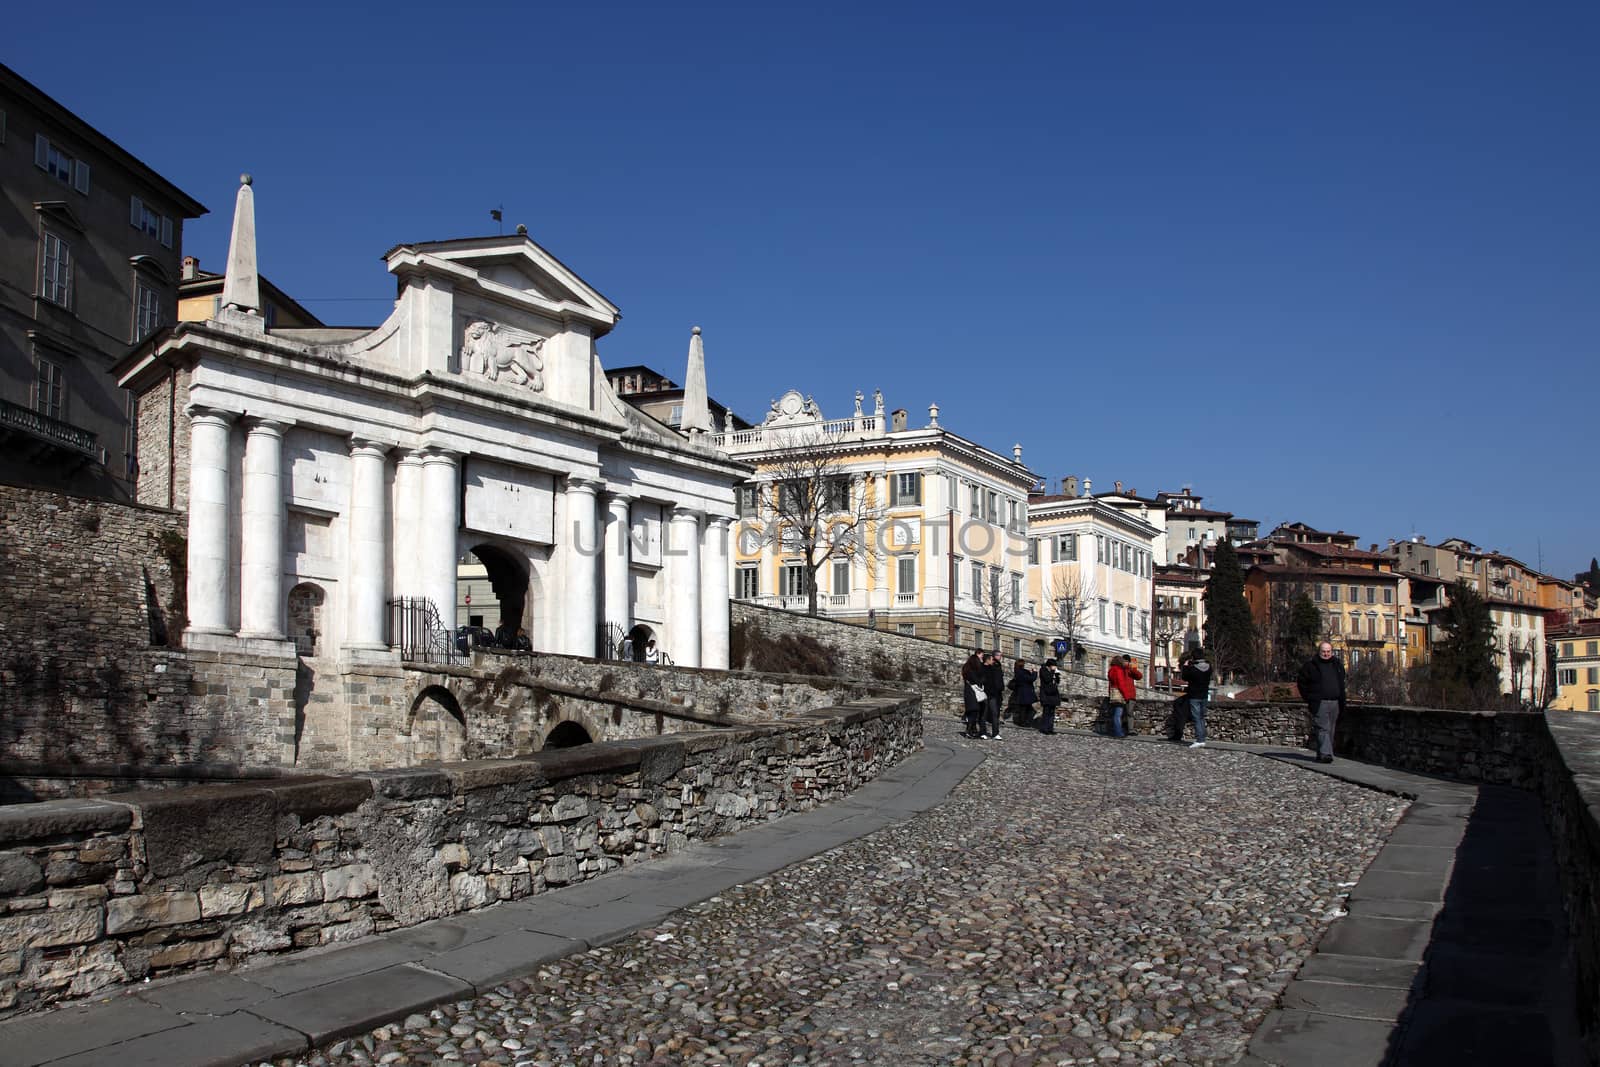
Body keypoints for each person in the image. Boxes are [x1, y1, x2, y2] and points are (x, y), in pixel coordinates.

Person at [1297, 641, 1346, 763]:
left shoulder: (1337, 664)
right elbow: (1301, 683)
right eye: (1323, 651)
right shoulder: (1310, 666)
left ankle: (1322, 753)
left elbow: (1342, 681)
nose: (1326, 654)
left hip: (1335, 702)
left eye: (1328, 651)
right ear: (1319, 652)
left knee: (1331, 729)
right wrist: (1309, 697)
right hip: (1319, 702)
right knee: (1323, 727)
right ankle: (1326, 754)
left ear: (1332, 652)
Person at [1180, 649, 1214, 748]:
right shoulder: (1209, 667)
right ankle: (1202, 738)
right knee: (1202, 717)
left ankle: (1200, 740)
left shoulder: (1193, 668)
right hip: (1204, 695)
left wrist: (1185, 666)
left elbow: (1185, 677)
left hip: (1194, 695)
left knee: (1196, 718)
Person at [1106, 655, 1142, 738]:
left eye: (1125, 661)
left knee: (1128, 713)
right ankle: (1119, 731)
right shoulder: (1119, 670)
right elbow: (1120, 683)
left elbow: (1139, 676)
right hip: (1122, 694)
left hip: (1128, 694)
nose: (1124, 662)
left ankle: (1129, 730)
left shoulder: (1127, 669)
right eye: (1123, 661)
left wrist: (1132, 667)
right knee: (1119, 713)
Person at [960, 648, 986, 739]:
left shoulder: (966, 668)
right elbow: (978, 680)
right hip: (973, 692)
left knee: (972, 711)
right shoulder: (972, 670)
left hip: (969, 691)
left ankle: (971, 730)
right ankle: (969, 731)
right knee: (974, 711)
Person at [1007, 658, 1038, 727]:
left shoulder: (1018, 671)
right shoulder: (1021, 672)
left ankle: (1024, 721)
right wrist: (1034, 672)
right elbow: (1031, 679)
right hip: (1025, 693)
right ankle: (1023, 722)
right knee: (1024, 709)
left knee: (1026, 708)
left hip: (1023, 692)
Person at [982, 651, 1006, 740]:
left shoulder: (995, 667)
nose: (993, 661)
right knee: (984, 713)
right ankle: (983, 732)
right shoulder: (984, 668)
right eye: (991, 660)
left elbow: (997, 680)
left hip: (993, 693)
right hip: (985, 693)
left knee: (995, 713)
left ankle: (995, 733)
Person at [1037, 659, 1062, 734]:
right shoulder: (1043, 670)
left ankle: (1050, 728)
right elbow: (1047, 679)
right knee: (1046, 712)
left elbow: (1057, 681)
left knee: (1052, 712)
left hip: (1053, 693)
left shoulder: (1053, 672)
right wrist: (1052, 672)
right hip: (1046, 693)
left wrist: (1057, 675)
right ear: (1050, 665)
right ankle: (1044, 728)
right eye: (1053, 666)